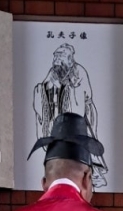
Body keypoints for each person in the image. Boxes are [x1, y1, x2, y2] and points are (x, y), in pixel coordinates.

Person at [33, 43, 108, 188]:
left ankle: (94, 174)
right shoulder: (53, 72)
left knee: (84, 146)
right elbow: (46, 86)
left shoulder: (79, 71)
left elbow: (85, 94)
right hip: (61, 115)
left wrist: (70, 87)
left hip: (81, 117)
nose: (57, 59)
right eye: (56, 56)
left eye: (61, 56)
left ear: (69, 58)